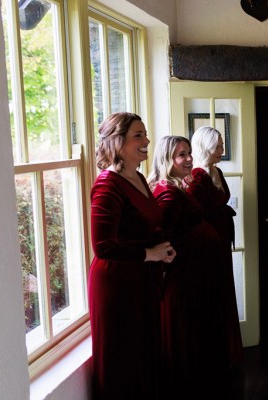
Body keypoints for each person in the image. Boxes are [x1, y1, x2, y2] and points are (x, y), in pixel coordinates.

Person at [88, 112, 176, 399]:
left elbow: (144, 222)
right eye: (138, 135)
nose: (147, 141)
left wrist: (161, 247)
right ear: (117, 141)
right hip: (117, 283)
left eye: (145, 134)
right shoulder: (107, 184)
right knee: (124, 356)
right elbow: (102, 246)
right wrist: (149, 254)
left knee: (144, 352)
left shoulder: (137, 176)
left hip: (141, 278)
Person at [148, 135, 235, 394]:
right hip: (184, 273)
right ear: (167, 159)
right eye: (181, 155)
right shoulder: (167, 192)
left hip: (195, 270)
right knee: (185, 330)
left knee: (196, 327)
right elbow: (164, 236)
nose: (188, 159)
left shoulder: (179, 186)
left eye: (188, 153)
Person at [186, 126, 244, 367]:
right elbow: (192, 213)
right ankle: (214, 354)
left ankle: (227, 350)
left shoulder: (217, 171)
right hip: (207, 243)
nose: (222, 149)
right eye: (218, 145)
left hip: (221, 240)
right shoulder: (198, 175)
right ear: (206, 146)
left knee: (224, 288)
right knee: (212, 291)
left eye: (222, 145)